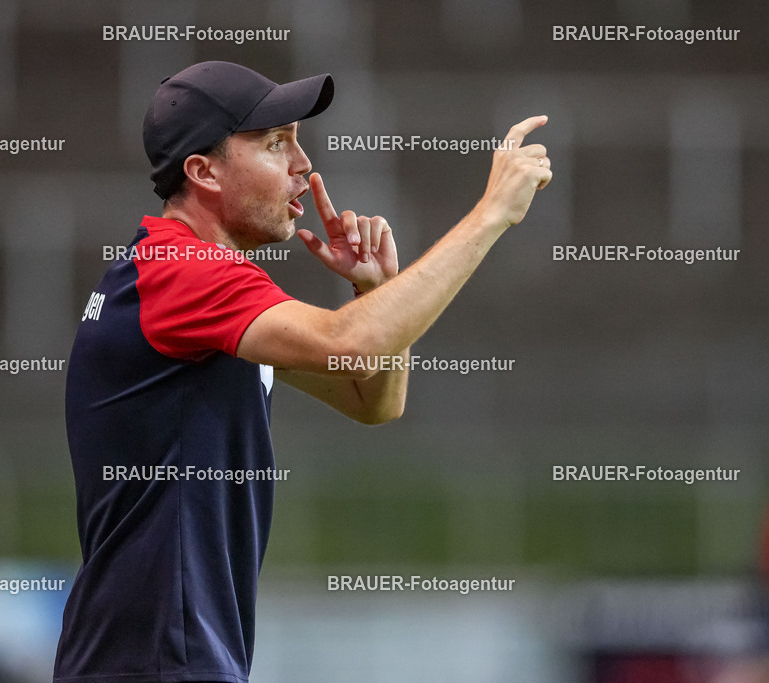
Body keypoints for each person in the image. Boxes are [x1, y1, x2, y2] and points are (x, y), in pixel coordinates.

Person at [53, 60, 552, 683]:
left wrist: (375, 290)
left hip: (156, 657)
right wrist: (490, 214)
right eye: (273, 144)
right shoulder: (181, 272)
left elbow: (371, 400)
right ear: (203, 172)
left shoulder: (181, 277)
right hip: (159, 660)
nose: (302, 164)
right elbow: (356, 343)